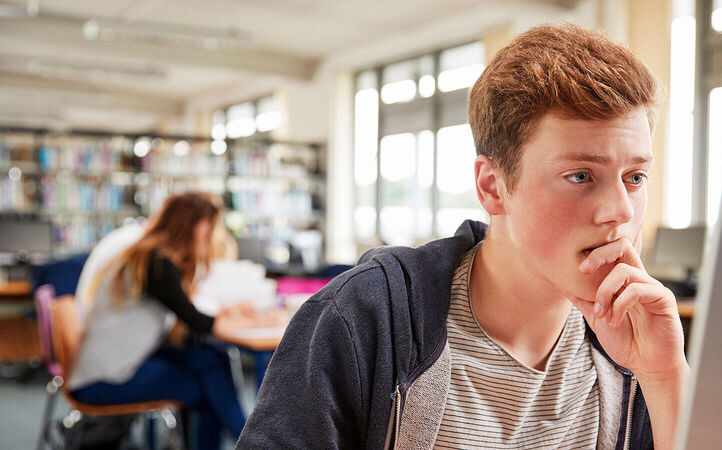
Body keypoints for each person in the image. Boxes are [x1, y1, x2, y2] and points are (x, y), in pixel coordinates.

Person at [237, 24, 688, 449]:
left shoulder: (633, 343)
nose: (621, 212)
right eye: (580, 175)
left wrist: (664, 377)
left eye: (635, 177)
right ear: (492, 186)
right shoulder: (366, 317)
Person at [69, 192, 251, 450]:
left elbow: (188, 308)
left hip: (119, 361)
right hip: (104, 379)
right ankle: (251, 441)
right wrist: (248, 324)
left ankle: (250, 439)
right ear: (195, 224)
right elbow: (196, 320)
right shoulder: (155, 260)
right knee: (209, 391)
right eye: (210, 226)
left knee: (211, 359)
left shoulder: (150, 251)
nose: (211, 235)